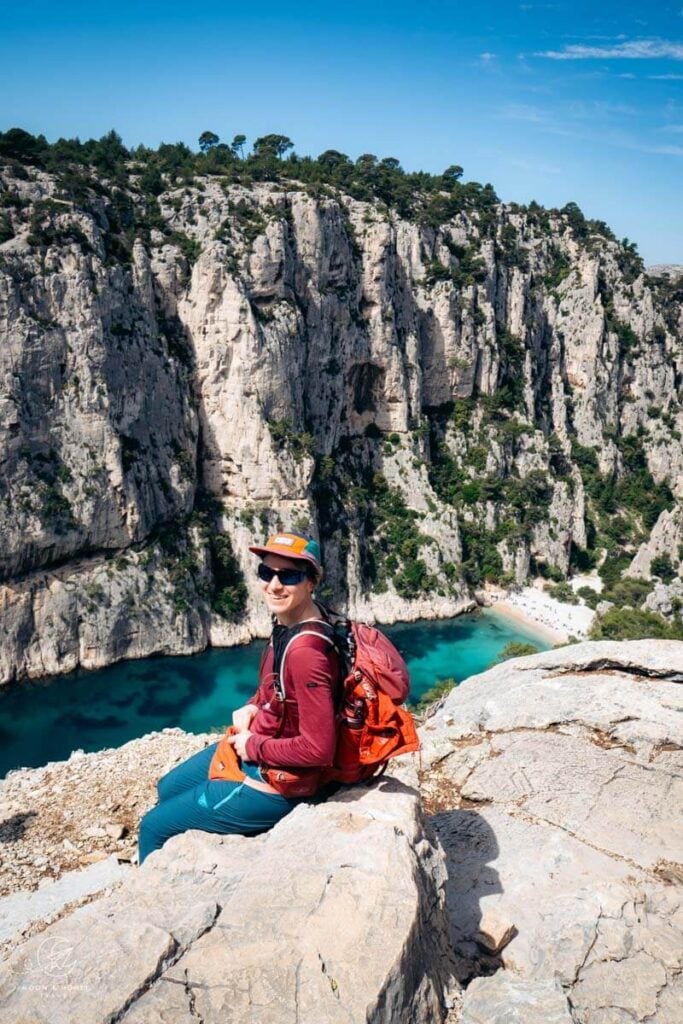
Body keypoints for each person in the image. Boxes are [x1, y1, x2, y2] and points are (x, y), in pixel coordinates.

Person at [137, 532, 340, 866]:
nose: (274, 585)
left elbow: (319, 749)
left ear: (312, 581)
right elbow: (275, 686)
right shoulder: (292, 621)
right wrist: (253, 704)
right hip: (261, 746)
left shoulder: (307, 651)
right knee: (167, 788)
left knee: (152, 828)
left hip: (277, 782)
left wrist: (253, 747)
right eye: (266, 572)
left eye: (289, 575)